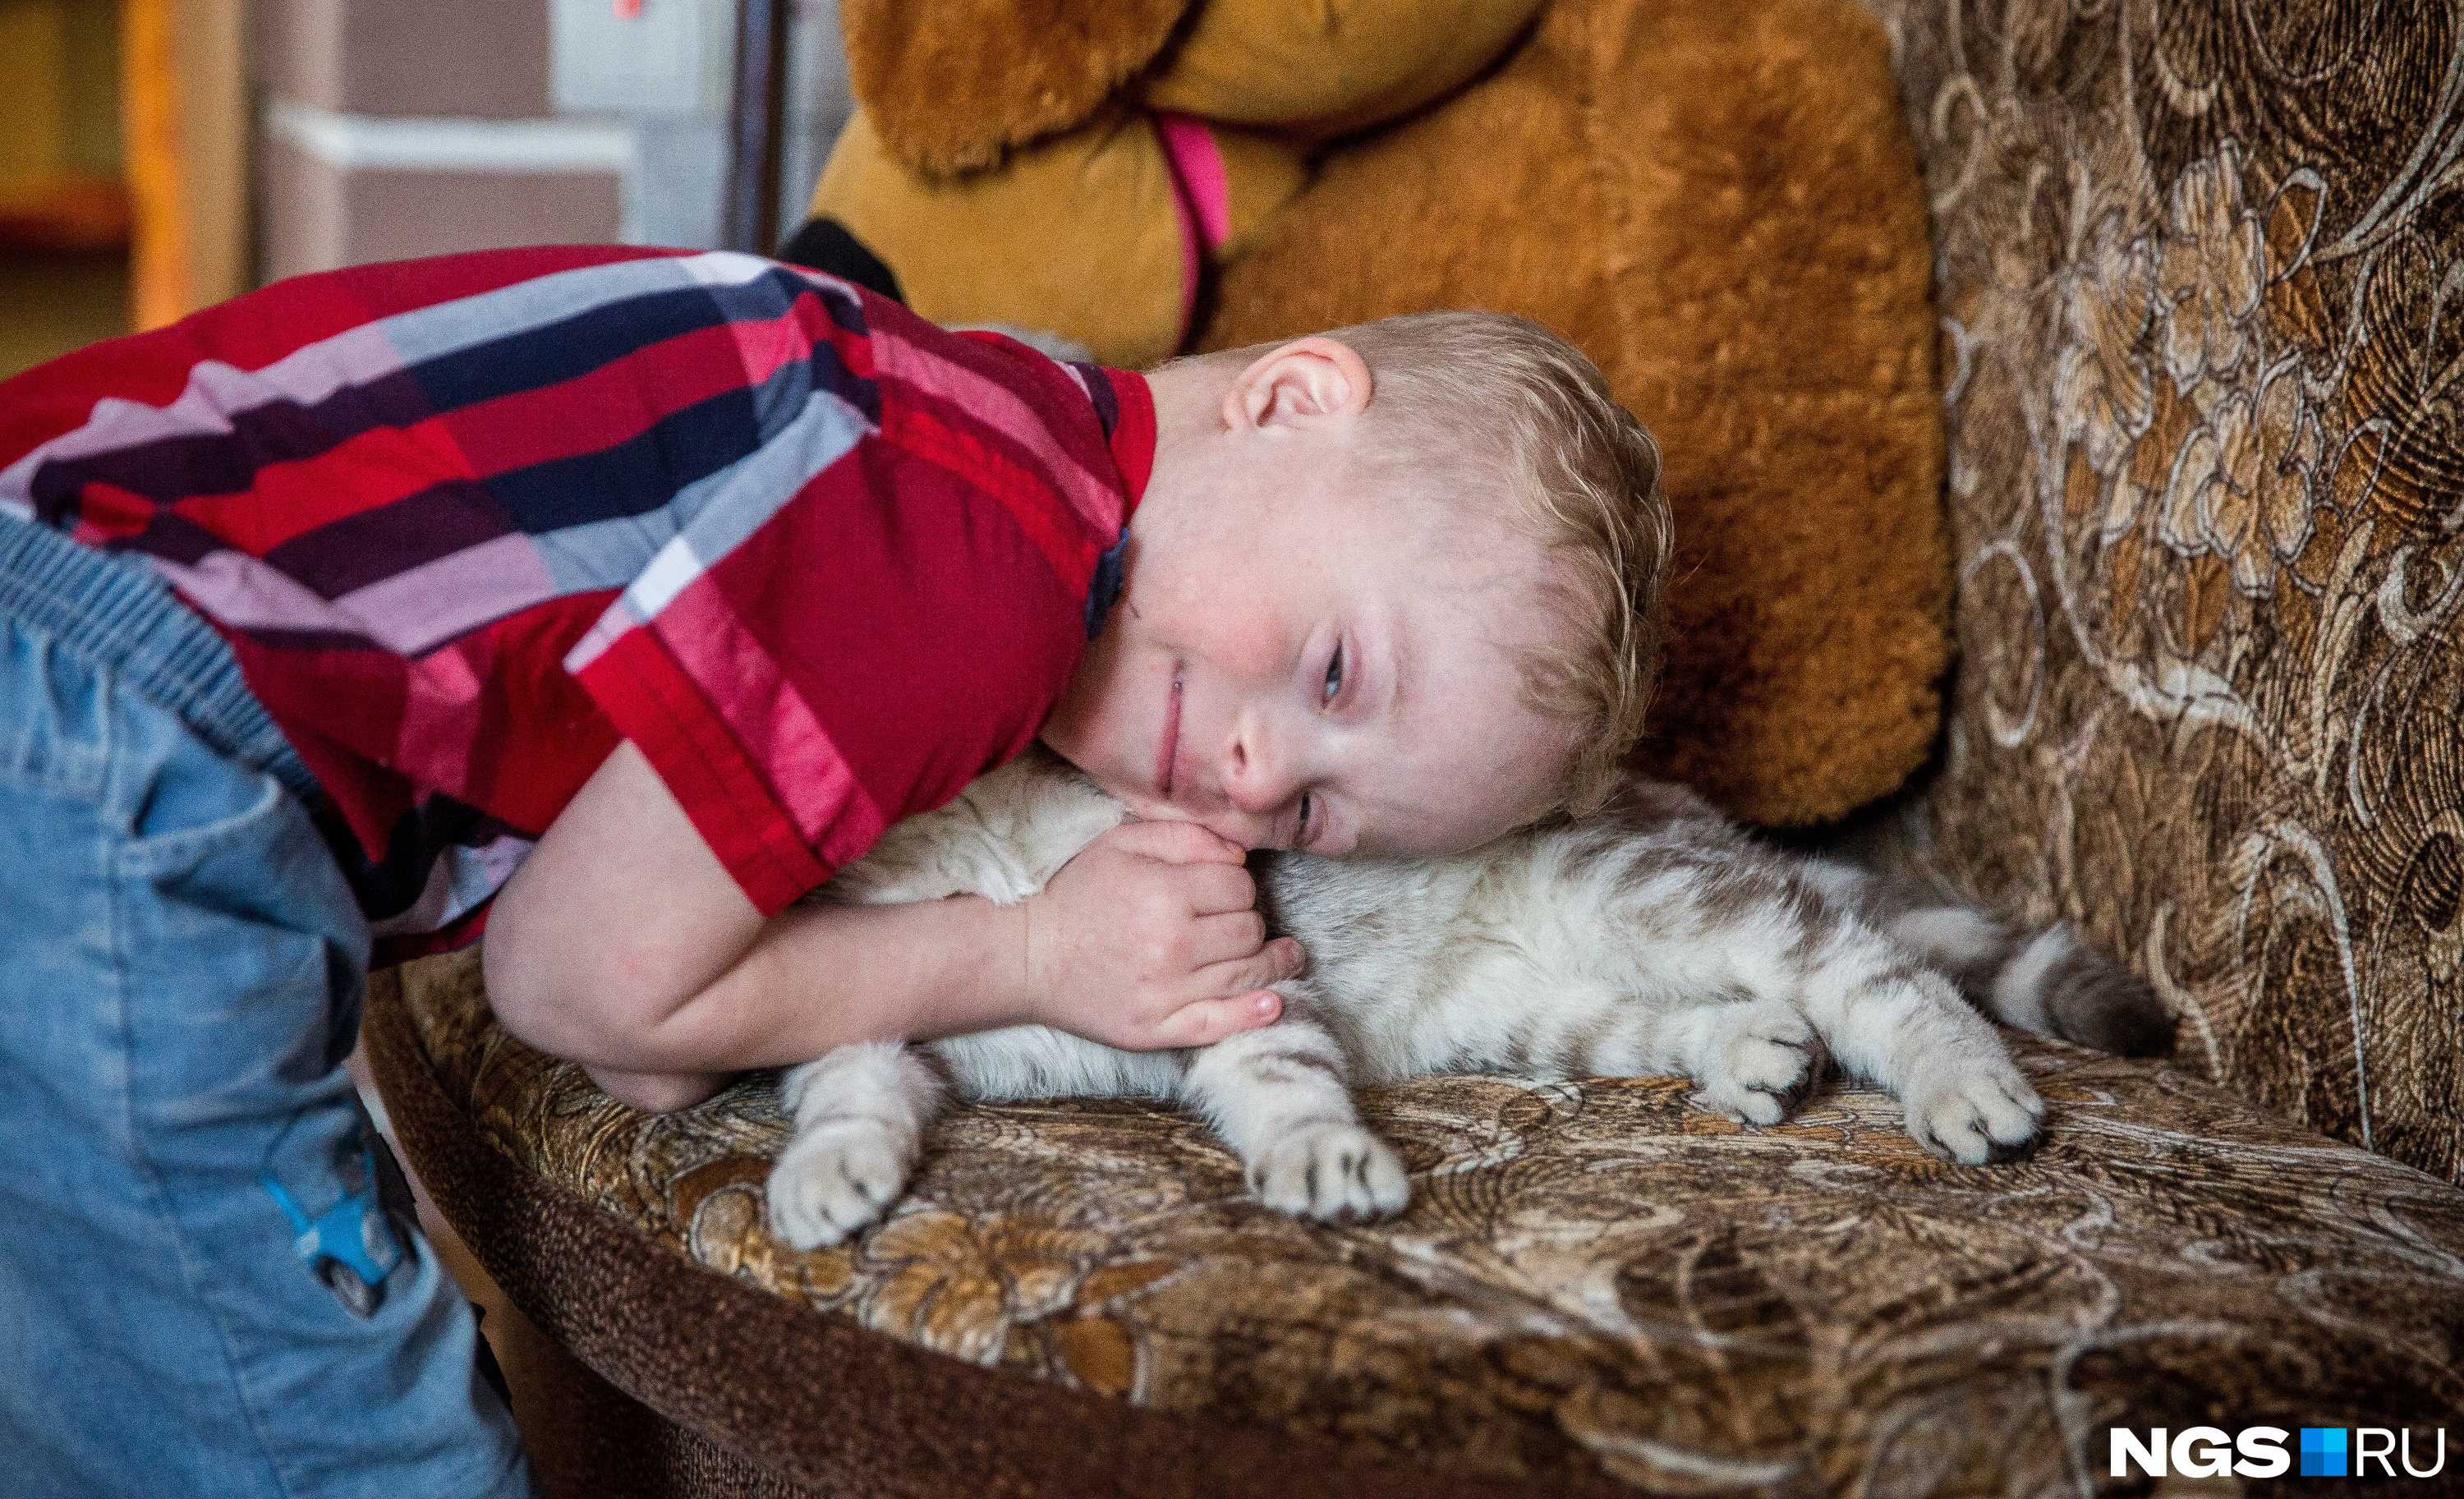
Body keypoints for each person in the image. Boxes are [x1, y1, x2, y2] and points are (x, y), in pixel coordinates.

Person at [0, 245, 1668, 1497]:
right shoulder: (980, 571)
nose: (1254, 780)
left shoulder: (974, 398)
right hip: (120, 746)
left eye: (1314, 818)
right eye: (1330, 678)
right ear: (1292, 400)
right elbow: (591, 995)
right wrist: (1026, 953)